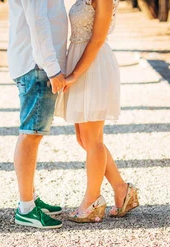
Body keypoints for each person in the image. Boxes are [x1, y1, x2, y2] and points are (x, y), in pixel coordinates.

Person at [55, 0, 139, 223]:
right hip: (79, 62)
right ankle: (122, 189)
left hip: (94, 67)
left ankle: (91, 201)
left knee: (93, 139)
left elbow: (98, 38)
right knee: (84, 139)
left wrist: (74, 74)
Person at [7, 0, 68, 229]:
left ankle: (30, 198)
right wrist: (53, 69)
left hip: (37, 64)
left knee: (33, 133)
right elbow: (37, 21)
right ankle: (26, 208)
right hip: (37, 66)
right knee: (30, 133)